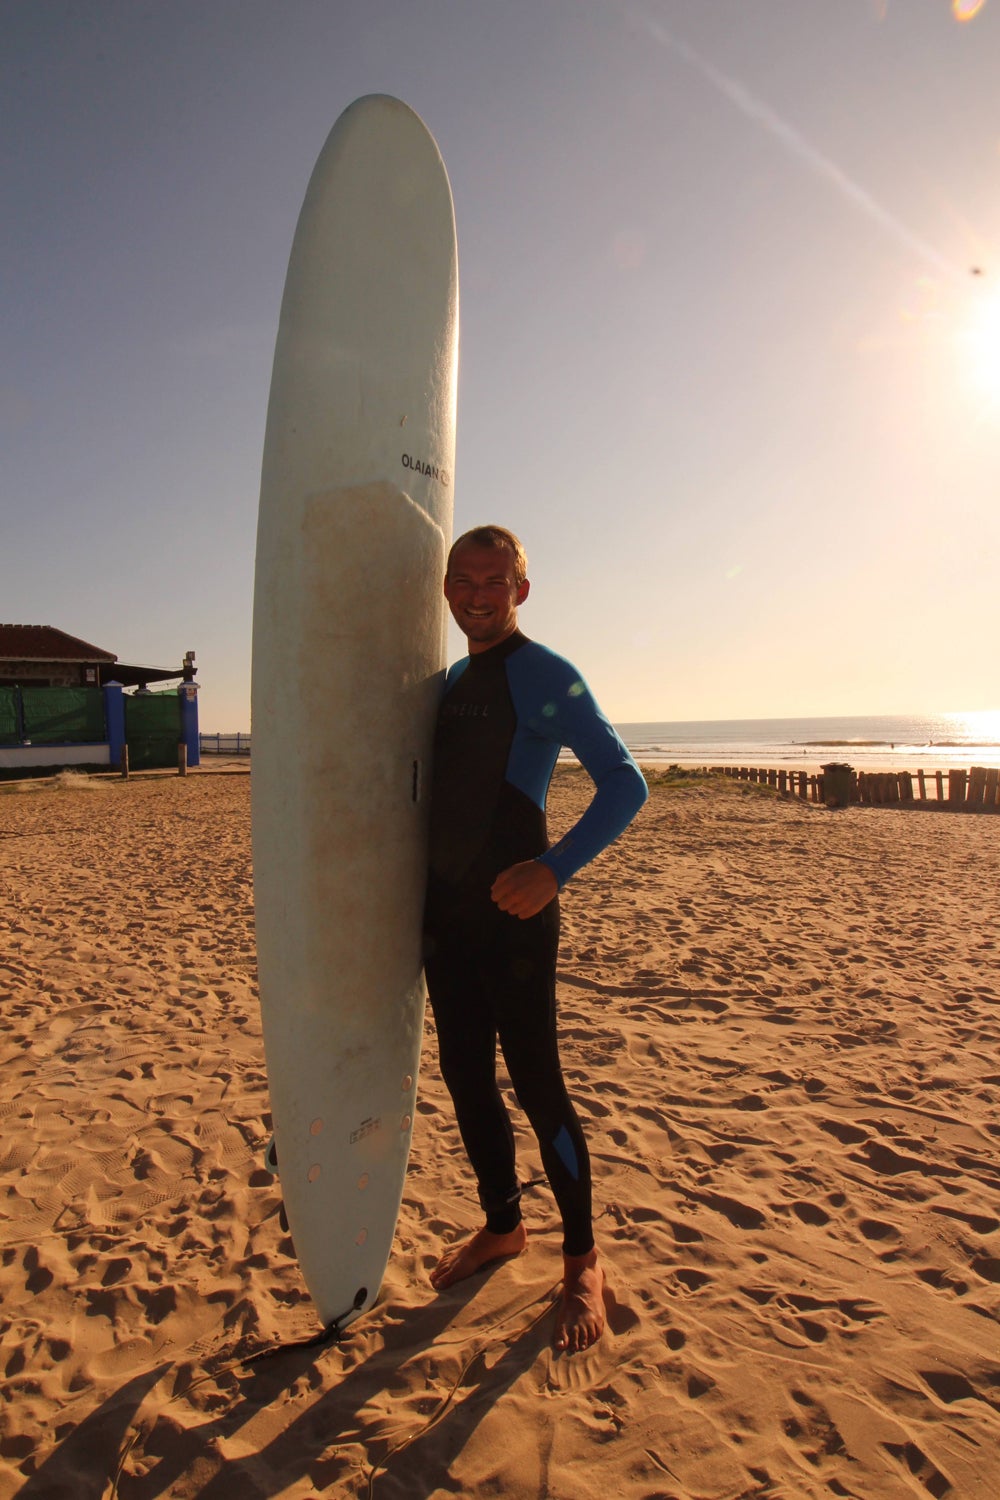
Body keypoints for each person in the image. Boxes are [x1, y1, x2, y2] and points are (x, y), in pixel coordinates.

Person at [423, 524, 647, 1353]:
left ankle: (582, 1256)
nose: (477, 594)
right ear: (446, 588)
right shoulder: (444, 681)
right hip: (445, 920)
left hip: (516, 917)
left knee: (538, 1083)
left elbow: (626, 782)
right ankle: (503, 1226)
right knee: (462, 1076)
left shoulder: (545, 674)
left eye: (495, 580)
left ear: (521, 589)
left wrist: (555, 869)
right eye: (463, 579)